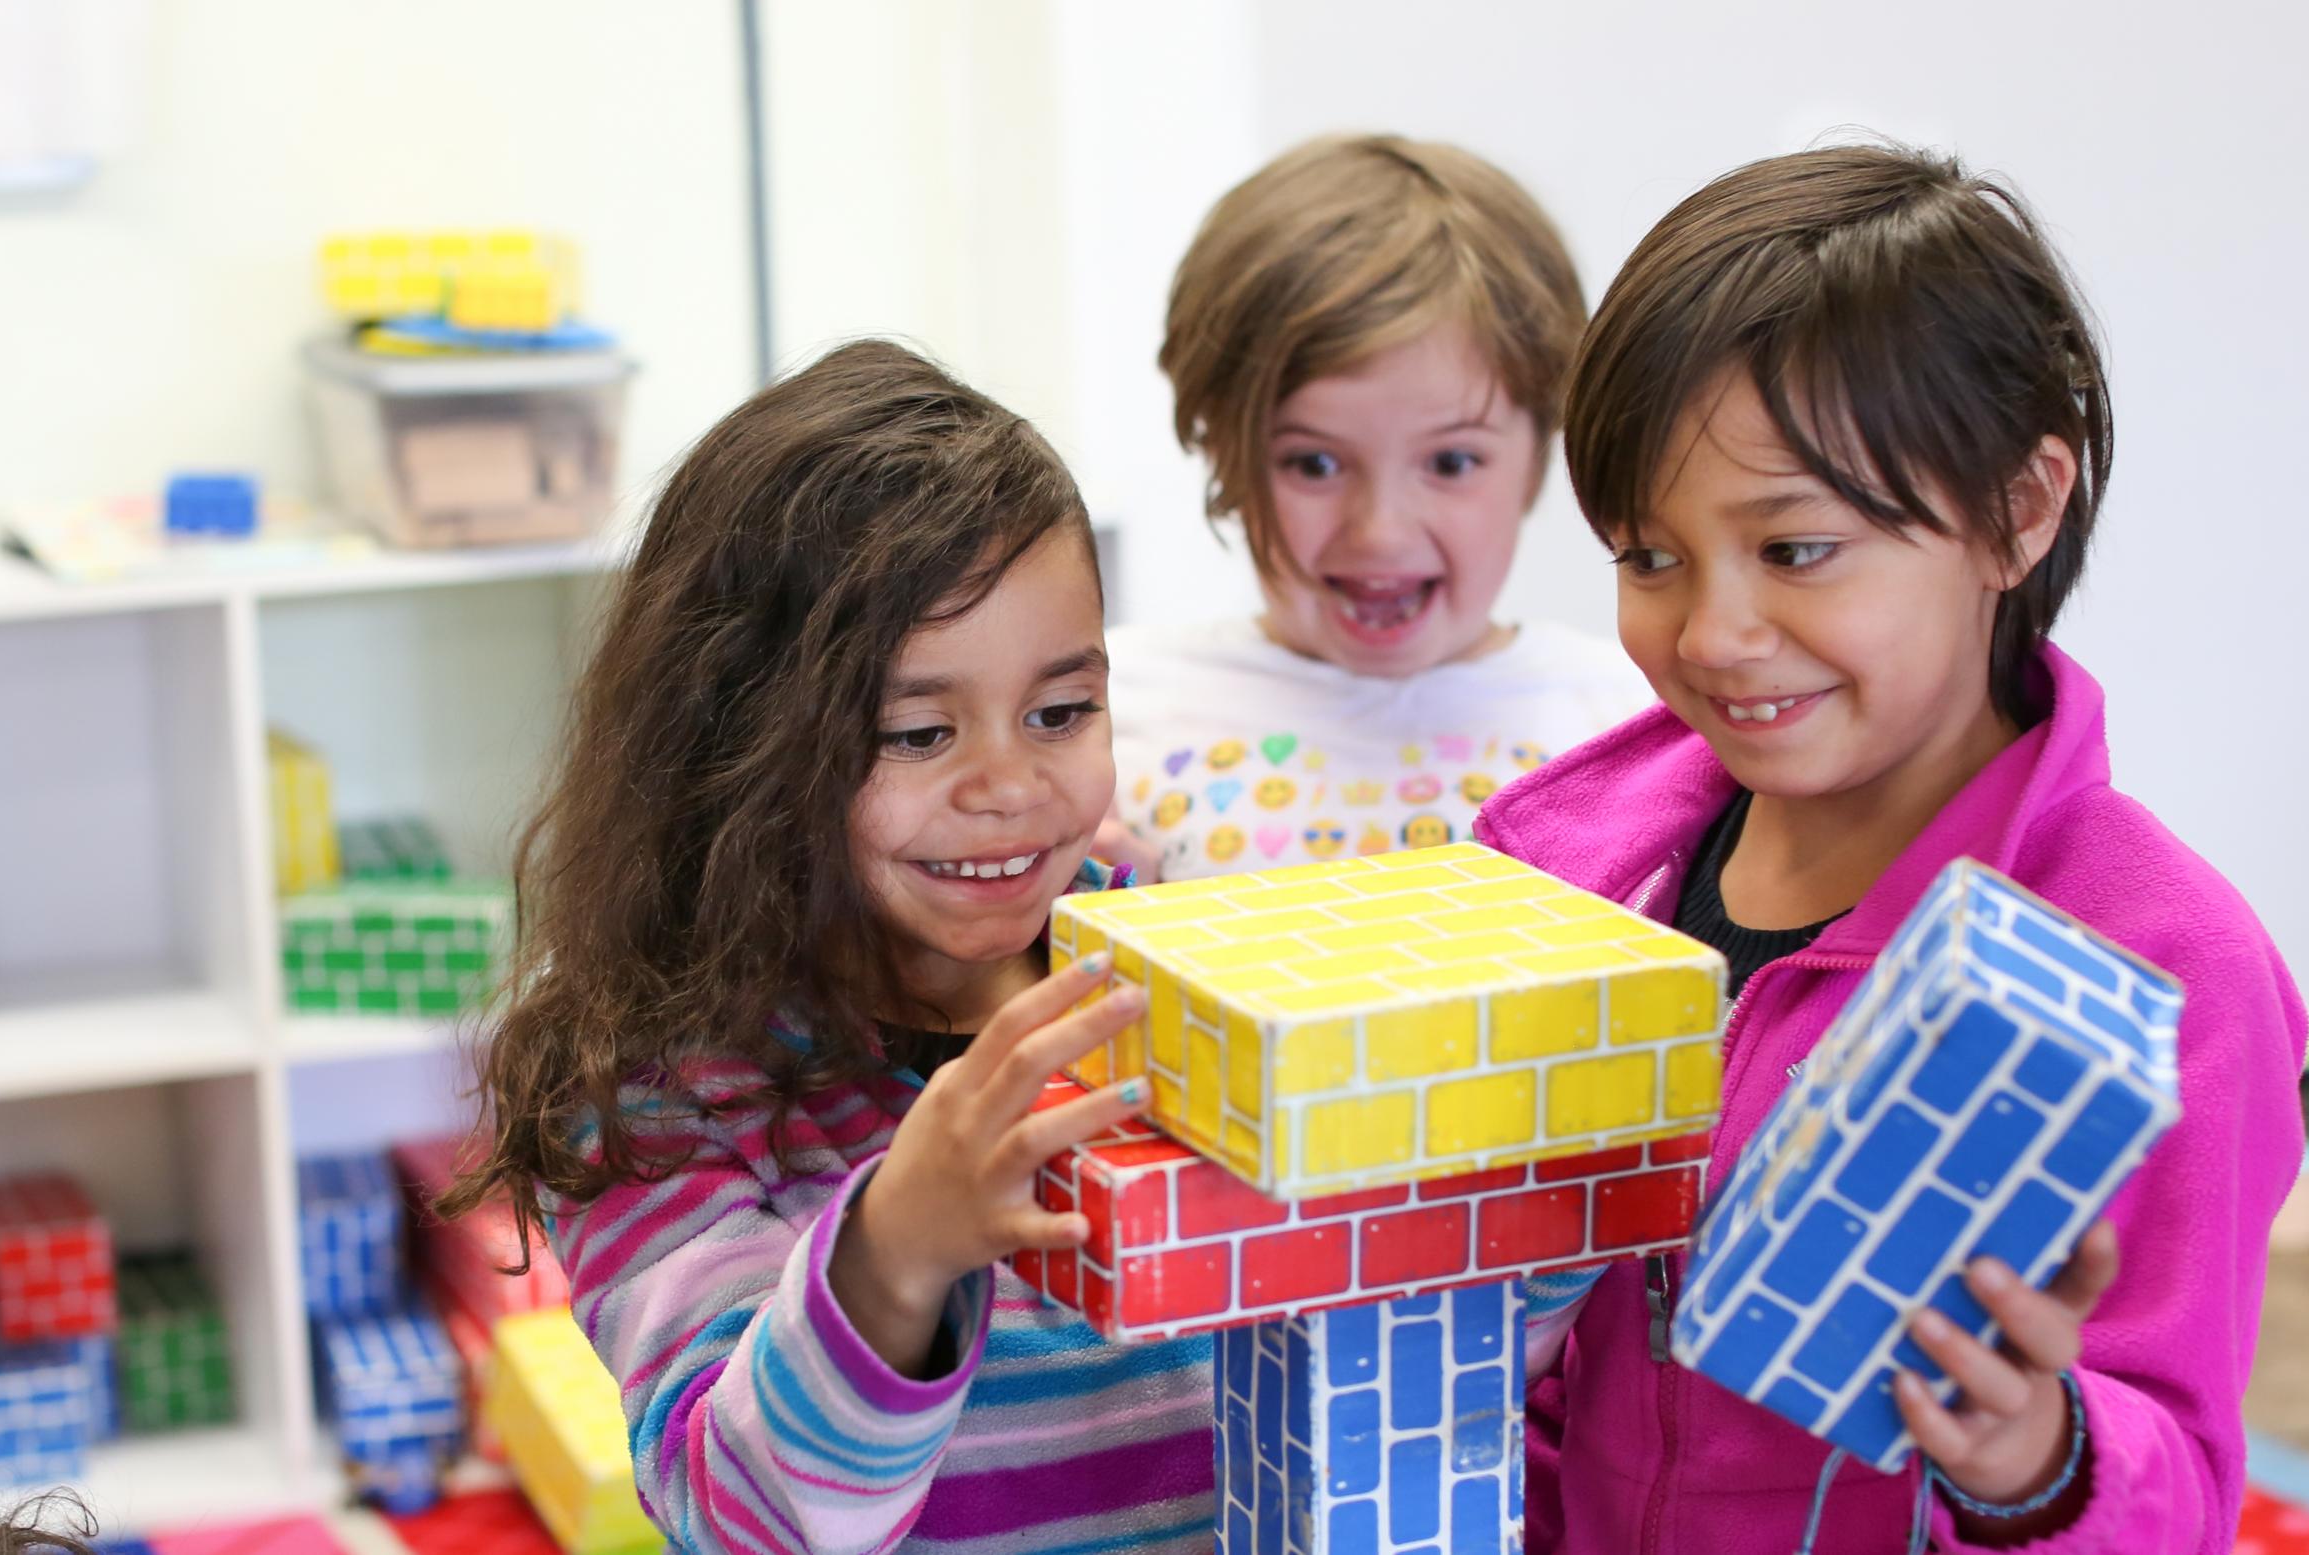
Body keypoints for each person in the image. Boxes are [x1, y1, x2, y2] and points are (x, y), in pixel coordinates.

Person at [1475, 143, 2306, 1553]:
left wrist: (2039, 1455)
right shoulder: (1580, 867)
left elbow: (2176, 1488)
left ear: (2018, 509)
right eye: (1649, 555)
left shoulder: (2164, 965)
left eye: (1794, 549)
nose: (1714, 634)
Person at [445, 341, 1213, 1553]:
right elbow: (744, 1511)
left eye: (1060, 712)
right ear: (742, 746)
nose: (1009, 785)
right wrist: (898, 1248)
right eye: (916, 732)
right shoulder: (652, 1097)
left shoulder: (1163, 977)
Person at [1101, 134, 1643, 883]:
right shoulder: (1101, 714)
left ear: (1544, 448)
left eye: (1451, 462)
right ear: (1221, 450)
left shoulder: (1642, 717)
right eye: (1313, 463)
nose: (1380, 530)